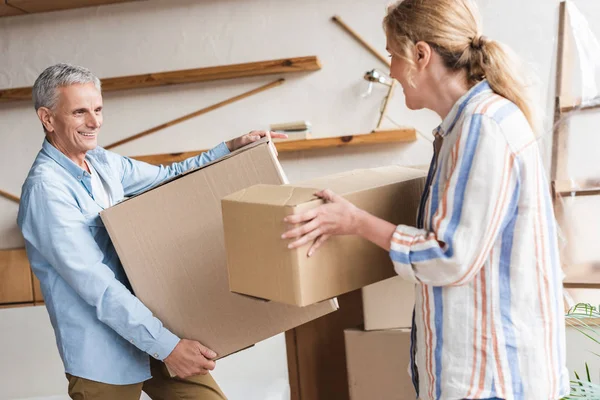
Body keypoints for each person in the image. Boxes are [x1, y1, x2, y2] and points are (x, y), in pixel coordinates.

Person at [282, 1, 569, 399]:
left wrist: (355, 222)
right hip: (488, 375)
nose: (392, 71)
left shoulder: (481, 127)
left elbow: (449, 256)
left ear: (421, 54)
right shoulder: (466, 127)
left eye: (391, 55)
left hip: (491, 380)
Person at [17, 63, 285, 400]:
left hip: (152, 330)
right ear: (48, 118)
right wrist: (169, 347)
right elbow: (98, 286)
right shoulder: (46, 191)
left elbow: (167, 176)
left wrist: (231, 147)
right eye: (80, 112)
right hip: (104, 355)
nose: (95, 122)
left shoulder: (101, 162)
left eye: (98, 109)